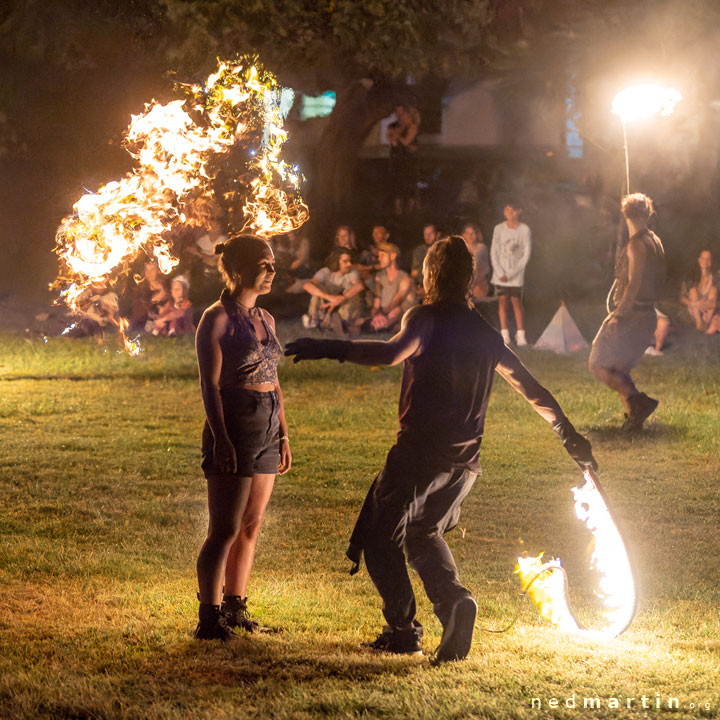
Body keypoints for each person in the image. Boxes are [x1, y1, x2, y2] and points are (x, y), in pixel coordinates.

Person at [285, 236, 596, 663]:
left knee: (380, 541)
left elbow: (391, 353)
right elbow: (531, 388)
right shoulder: (486, 334)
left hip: (418, 456)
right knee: (422, 532)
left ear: (431, 275)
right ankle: (454, 603)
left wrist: (326, 347)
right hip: (464, 465)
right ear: (470, 279)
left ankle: (403, 629)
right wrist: (569, 435)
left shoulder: (425, 318)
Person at [194, 234, 292, 640]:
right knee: (225, 528)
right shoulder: (216, 318)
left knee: (251, 525)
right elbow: (209, 386)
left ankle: (235, 606)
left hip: (267, 423)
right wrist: (222, 439)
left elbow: (273, 378)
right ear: (237, 269)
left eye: (272, 264)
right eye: (263, 264)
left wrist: (284, 433)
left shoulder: (265, 319)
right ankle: (209, 616)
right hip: (235, 420)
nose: (271, 271)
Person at [588, 193, 666, 432]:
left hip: (633, 315)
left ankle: (638, 401)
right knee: (618, 367)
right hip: (647, 314)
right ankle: (634, 417)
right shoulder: (655, 240)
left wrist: (618, 316)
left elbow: (634, 283)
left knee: (597, 363)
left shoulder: (637, 244)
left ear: (625, 214)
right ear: (648, 213)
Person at [490, 201, 532, 346]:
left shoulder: (524, 229)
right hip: (500, 273)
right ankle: (504, 335)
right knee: (502, 302)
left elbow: (526, 254)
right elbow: (494, 251)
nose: (510, 213)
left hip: (516, 275)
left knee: (516, 301)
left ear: (519, 211)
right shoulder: (499, 229)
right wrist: (500, 271)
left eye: (513, 210)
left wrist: (512, 274)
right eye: (507, 209)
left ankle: (520, 335)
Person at [302, 249, 366, 334]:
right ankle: (315, 318)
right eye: (345, 261)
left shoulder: (352, 272)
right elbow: (307, 285)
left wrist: (341, 298)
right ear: (336, 262)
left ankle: (338, 321)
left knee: (352, 292)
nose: (349, 264)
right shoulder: (325, 272)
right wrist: (329, 298)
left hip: (342, 306)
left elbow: (359, 286)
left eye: (349, 261)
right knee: (317, 289)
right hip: (326, 304)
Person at [369, 242, 417, 331]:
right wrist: (375, 314)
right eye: (379, 256)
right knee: (376, 316)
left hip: (400, 313)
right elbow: (377, 301)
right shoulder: (380, 276)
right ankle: (378, 325)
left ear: (393, 256)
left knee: (396, 310)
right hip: (385, 312)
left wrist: (382, 314)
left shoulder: (405, 278)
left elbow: (397, 300)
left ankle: (384, 326)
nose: (379, 259)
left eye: (382, 255)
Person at [387, 104, 420, 217]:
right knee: (397, 185)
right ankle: (398, 211)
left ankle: (410, 211)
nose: (400, 116)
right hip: (398, 159)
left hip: (408, 160)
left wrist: (398, 136)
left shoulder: (412, 127)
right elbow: (392, 139)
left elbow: (406, 142)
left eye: (403, 113)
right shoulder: (394, 125)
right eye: (397, 113)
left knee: (409, 184)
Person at [680, 249, 717, 332]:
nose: (705, 261)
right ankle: (699, 324)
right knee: (693, 291)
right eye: (703, 258)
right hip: (694, 310)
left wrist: (706, 304)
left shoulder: (715, 277)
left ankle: (707, 323)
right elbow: (681, 298)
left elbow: (715, 302)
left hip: (709, 310)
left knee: (713, 289)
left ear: (711, 261)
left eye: (708, 259)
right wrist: (694, 304)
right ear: (699, 259)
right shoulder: (690, 276)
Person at [461, 222, 490, 301]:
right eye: (467, 233)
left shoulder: (481, 248)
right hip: (465, 283)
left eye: (472, 233)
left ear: (477, 234)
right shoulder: (461, 249)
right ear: (463, 235)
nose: (470, 236)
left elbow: (477, 270)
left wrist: (469, 287)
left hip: (479, 284)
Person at [410, 223, 439, 297]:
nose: (427, 236)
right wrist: (414, 288)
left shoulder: (442, 251)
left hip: (437, 290)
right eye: (425, 234)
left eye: (430, 233)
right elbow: (414, 273)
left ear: (437, 234)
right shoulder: (419, 251)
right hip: (420, 289)